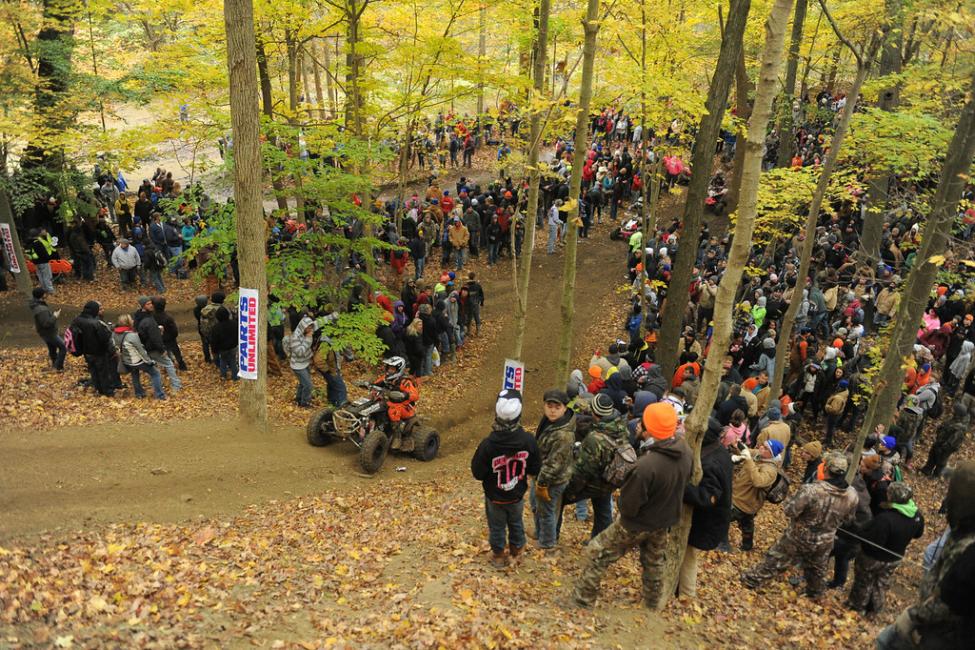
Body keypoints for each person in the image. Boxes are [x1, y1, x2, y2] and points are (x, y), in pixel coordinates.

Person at [569, 403, 691, 608]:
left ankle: (582, 600)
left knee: (596, 553)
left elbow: (628, 506)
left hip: (635, 523)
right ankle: (653, 605)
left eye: (642, 423)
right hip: (663, 521)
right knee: (654, 564)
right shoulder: (685, 451)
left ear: (648, 429)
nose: (637, 426)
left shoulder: (645, 466)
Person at [876, 461, 975, 649]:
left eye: (952, 492)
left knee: (887, 641)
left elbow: (948, 603)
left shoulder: (968, 551)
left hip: (948, 635)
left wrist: (913, 616)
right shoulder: (961, 531)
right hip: (937, 622)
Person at [741, 451, 858, 598]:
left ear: (826, 468)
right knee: (817, 569)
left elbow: (790, 510)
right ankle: (815, 593)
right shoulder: (852, 494)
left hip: (798, 536)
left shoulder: (811, 490)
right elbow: (848, 519)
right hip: (825, 540)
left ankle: (751, 580)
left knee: (776, 558)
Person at [470, 389, 541, 568]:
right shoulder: (528, 441)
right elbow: (535, 467)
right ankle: (517, 550)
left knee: (497, 526)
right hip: (517, 493)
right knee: (516, 521)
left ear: (497, 415)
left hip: (495, 495)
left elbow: (477, 472)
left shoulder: (488, 445)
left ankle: (499, 555)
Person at [847, 482, 924, 614]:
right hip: (894, 558)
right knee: (880, 584)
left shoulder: (886, 519)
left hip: (873, 558)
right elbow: (918, 534)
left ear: (891, 497)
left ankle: (857, 608)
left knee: (864, 582)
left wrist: (856, 531)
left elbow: (872, 543)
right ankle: (875, 609)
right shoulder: (916, 514)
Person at [561, 394, 627, 540]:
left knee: (559, 499)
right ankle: (599, 544)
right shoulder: (621, 426)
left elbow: (583, 471)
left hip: (594, 481)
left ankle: (550, 540)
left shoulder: (595, 438)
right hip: (610, 480)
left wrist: (570, 491)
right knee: (603, 511)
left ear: (594, 412)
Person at [679, 417, 733, 597]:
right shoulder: (717, 450)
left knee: (688, 558)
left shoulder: (711, 462)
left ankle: (686, 596)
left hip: (705, 523)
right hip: (703, 520)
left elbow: (709, 497)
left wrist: (682, 488)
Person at [532, 389, 576, 550]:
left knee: (547, 511)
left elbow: (554, 464)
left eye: (557, 407)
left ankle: (547, 543)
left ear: (564, 408)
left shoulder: (563, 434)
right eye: (549, 406)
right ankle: (540, 533)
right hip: (541, 474)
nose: (552, 410)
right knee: (537, 506)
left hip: (553, 479)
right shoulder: (549, 422)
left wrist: (542, 483)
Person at [729, 439, 782, 551]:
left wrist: (748, 460)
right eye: (763, 445)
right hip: (742, 498)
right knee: (747, 524)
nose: (761, 447)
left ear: (771, 454)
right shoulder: (759, 455)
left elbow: (758, 481)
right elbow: (747, 451)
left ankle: (720, 543)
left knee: (721, 517)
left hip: (744, 503)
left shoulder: (771, 470)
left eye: (766, 448)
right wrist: (737, 445)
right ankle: (747, 546)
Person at [133, 297, 182, 393]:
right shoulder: (148, 320)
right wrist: (162, 349)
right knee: (168, 364)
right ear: (143, 306)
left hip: (144, 347)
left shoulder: (140, 316)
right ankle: (176, 385)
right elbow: (154, 337)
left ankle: (157, 386)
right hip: (152, 347)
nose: (151, 305)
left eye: (151, 303)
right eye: (148, 304)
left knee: (153, 368)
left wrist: (157, 328)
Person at [113, 314, 166, 399]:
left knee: (135, 375)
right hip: (136, 361)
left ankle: (139, 394)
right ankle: (160, 395)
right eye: (131, 320)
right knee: (155, 373)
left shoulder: (115, 334)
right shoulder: (132, 335)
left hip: (127, 361)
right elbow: (141, 351)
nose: (133, 321)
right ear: (128, 322)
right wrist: (150, 361)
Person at [71, 300, 116, 397]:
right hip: (99, 352)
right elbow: (105, 338)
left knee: (93, 371)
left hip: (86, 351)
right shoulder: (96, 323)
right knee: (103, 372)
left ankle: (98, 389)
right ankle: (107, 392)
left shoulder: (77, 320)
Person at [374, 356, 419, 450]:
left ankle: (397, 437)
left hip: (405, 407)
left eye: (392, 368)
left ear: (399, 369)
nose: (390, 370)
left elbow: (415, 395)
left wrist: (404, 395)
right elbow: (376, 383)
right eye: (389, 368)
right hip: (389, 402)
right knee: (372, 403)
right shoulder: (386, 378)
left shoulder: (405, 381)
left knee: (393, 410)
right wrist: (367, 384)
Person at [29, 288, 66, 371]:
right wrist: (55, 316)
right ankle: (58, 366)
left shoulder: (37, 305)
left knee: (52, 349)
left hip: (45, 333)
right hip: (49, 333)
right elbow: (46, 323)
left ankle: (55, 365)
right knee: (63, 347)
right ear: (42, 295)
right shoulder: (41, 309)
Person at [286, 315, 316, 407]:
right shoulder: (295, 337)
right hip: (297, 366)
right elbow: (300, 352)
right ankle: (305, 403)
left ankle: (298, 399)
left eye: (311, 326)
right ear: (303, 326)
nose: (310, 329)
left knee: (303, 383)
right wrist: (309, 338)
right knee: (308, 385)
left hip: (304, 363)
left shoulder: (305, 333)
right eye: (309, 327)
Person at [152, 297, 186, 371]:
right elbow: (174, 331)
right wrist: (173, 336)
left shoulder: (152, 317)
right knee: (176, 352)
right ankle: (182, 366)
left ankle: (166, 366)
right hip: (170, 339)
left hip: (159, 339)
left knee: (163, 354)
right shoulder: (168, 318)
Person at [209, 306, 239, 380]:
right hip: (233, 347)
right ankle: (235, 376)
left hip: (222, 349)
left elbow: (214, 341)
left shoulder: (216, 328)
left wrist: (214, 350)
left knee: (223, 362)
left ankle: (223, 376)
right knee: (233, 361)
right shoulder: (234, 324)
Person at [27, 227, 56, 294]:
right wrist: (49, 257)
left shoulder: (28, 243)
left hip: (36, 262)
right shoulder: (38, 243)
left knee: (40, 276)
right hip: (43, 262)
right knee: (47, 276)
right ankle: (50, 290)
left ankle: (44, 289)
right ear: (37, 235)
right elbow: (43, 253)